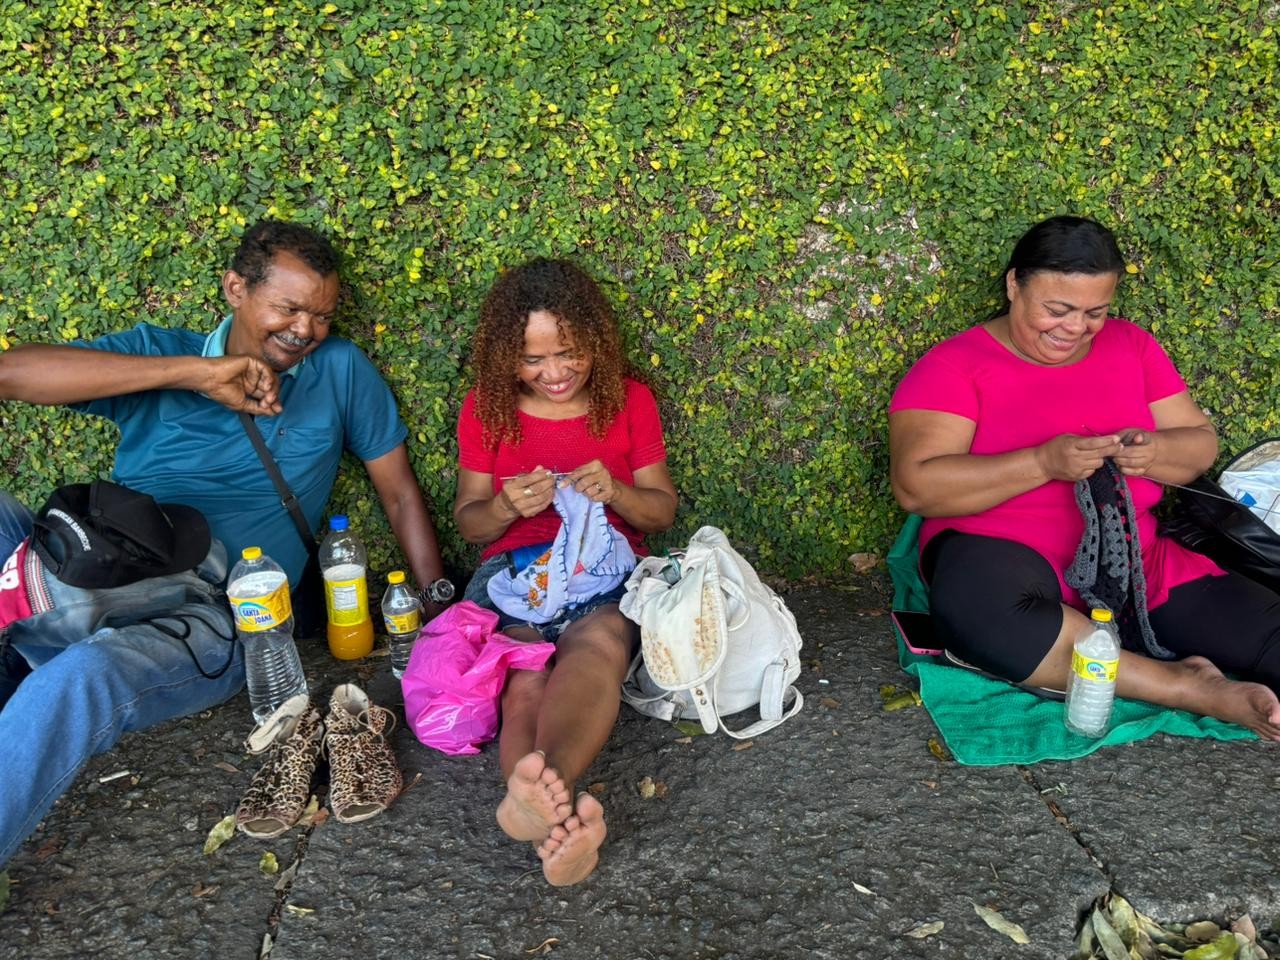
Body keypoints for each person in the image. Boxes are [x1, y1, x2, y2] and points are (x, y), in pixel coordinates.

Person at [0, 219, 449, 867]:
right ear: (236, 288)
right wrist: (193, 374)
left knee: (84, 674)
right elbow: (13, 373)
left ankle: (30, 626)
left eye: (321, 315)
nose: (304, 330)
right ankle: (36, 613)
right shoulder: (157, 354)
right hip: (108, 560)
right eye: (288, 307)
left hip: (219, 613)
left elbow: (400, 492)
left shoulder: (338, 372)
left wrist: (435, 603)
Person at [888, 215, 1280, 739]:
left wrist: (1155, 451)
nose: (1074, 327)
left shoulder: (1132, 347)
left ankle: (1129, 655)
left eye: (1094, 312)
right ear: (1013, 285)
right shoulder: (955, 366)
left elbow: (1197, 444)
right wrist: (1042, 463)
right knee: (986, 619)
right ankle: (1189, 687)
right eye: (1057, 309)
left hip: (1137, 562)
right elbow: (917, 486)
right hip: (1001, 558)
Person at [453, 257, 677, 885]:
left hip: (604, 574)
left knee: (600, 644)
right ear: (506, 359)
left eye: (569, 353)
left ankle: (537, 808)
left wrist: (616, 494)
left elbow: (659, 510)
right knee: (524, 668)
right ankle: (555, 817)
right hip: (513, 573)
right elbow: (471, 524)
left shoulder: (629, 401)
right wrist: (503, 506)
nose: (553, 372)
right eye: (531, 360)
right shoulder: (488, 409)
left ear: (595, 342)